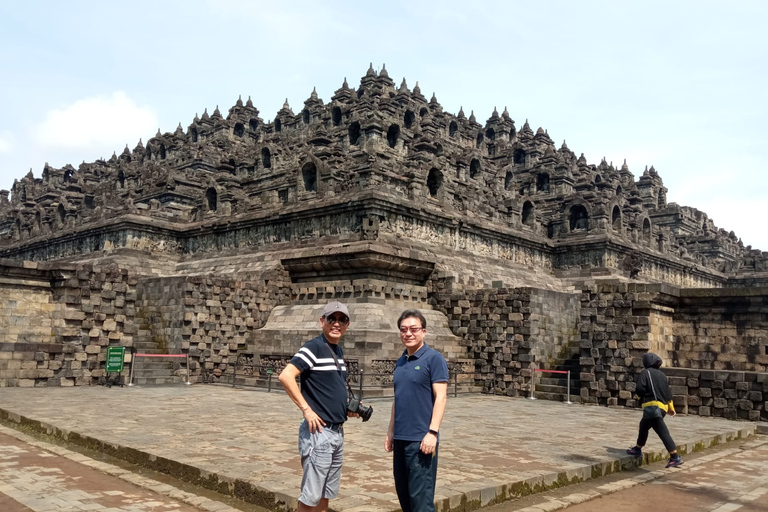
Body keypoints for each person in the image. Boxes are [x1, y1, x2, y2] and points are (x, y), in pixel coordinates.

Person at [279, 301, 359, 512]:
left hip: (337, 432)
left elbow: (329, 388)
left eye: (342, 320)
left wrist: (346, 409)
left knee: (325, 494)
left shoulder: (337, 351)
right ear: (321, 321)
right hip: (319, 433)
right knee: (311, 496)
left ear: (347, 325)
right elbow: (286, 376)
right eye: (331, 319)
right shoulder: (314, 347)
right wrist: (306, 409)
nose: (337, 324)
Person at [385, 309, 449, 512]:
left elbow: (441, 397)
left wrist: (432, 432)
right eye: (403, 330)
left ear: (424, 331)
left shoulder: (433, 359)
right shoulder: (401, 361)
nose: (408, 334)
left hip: (421, 440)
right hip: (401, 438)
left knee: (421, 501)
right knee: (404, 497)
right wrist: (390, 432)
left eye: (413, 329)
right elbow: (398, 400)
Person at [626, 352, 683, 468]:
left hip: (652, 407)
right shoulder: (662, 375)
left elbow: (640, 388)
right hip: (662, 408)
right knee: (643, 425)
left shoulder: (645, 373)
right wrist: (671, 409)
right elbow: (668, 393)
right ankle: (637, 448)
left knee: (663, 432)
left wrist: (638, 397)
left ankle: (675, 456)